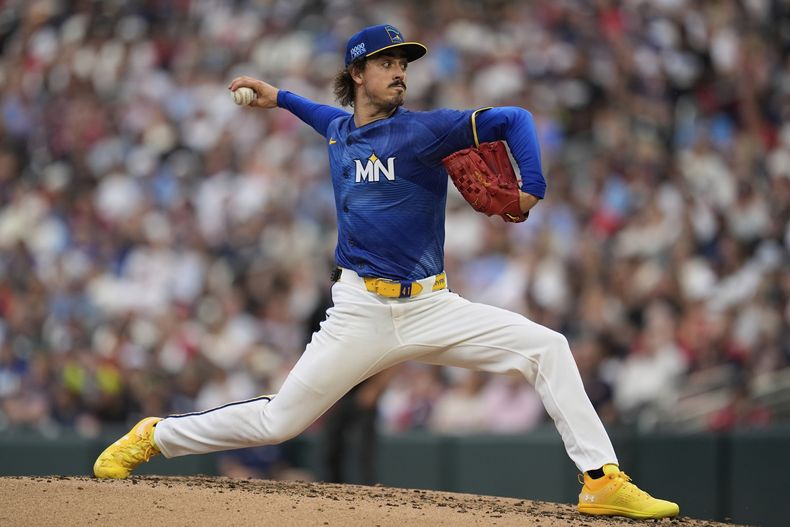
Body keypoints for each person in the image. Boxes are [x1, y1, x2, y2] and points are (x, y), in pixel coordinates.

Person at [93, 24, 679, 520]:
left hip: (432, 306)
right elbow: (321, 115)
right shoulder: (340, 131)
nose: (399, 72)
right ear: (357, 74)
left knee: (547, 347)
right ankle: (155, 437)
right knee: (279, 422)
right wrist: (279, 96)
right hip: (360, 311)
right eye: (387, 63)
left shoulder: (425, 130)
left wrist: (531, 189)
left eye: (403, 63)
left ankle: (601, 480)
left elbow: (516, 118)